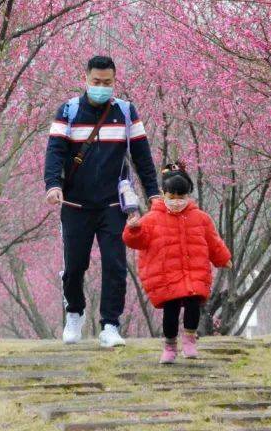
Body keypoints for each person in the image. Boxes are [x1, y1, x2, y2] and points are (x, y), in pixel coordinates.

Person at [44, 55, 160, 347]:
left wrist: (153, 193)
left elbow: (142, 157)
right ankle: (74, 313)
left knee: (115, 266)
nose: (101, 87)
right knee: (74, 267)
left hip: (112, 205)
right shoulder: (68, 111)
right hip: (75, 205)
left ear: (114, 81)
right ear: (86, 79)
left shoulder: (125, 111)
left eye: (107, 83)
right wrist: (53, 185)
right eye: (96, 82)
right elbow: (55, 152)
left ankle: (110, 324)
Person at [123, 162, 232, 364]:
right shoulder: (151, 219)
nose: (176, 201)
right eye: (171, 197)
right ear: (163, 194)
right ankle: (170, 346)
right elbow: (135, 241)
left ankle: (190, 340)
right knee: (171, 311)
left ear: (188, 195)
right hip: (167, 275)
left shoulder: (201, 218)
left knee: (193, 306)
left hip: (194, 271)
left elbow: (213, 241)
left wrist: (223, 258)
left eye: (180, 197)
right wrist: (133, 229)